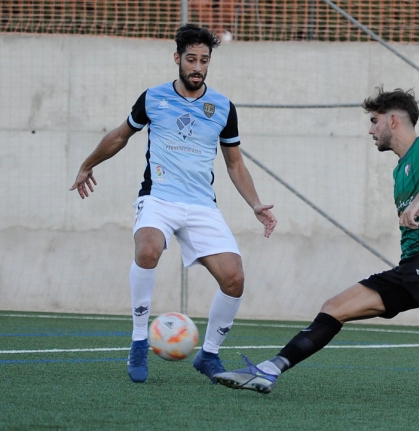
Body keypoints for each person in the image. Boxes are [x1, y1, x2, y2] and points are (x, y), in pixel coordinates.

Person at [213, 86, 419, 412]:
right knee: (334, 306)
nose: (370, 129)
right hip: (410, 268)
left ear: (393, 121)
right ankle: (270, 370)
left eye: (374, 121)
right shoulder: (399, 168)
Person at [69, 24, 276, 384]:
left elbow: (234, 163)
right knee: (148, 250)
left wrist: (255, 204)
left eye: (204, 60)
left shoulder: (223, 107)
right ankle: (137, 342)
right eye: (191, 59)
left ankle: (208, 354)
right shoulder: (153, 98)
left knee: (235, 279)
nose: (197, 66)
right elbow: (120, 136)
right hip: (158, 198)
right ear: (177, 58)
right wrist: (88, 164)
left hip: (201, 207)